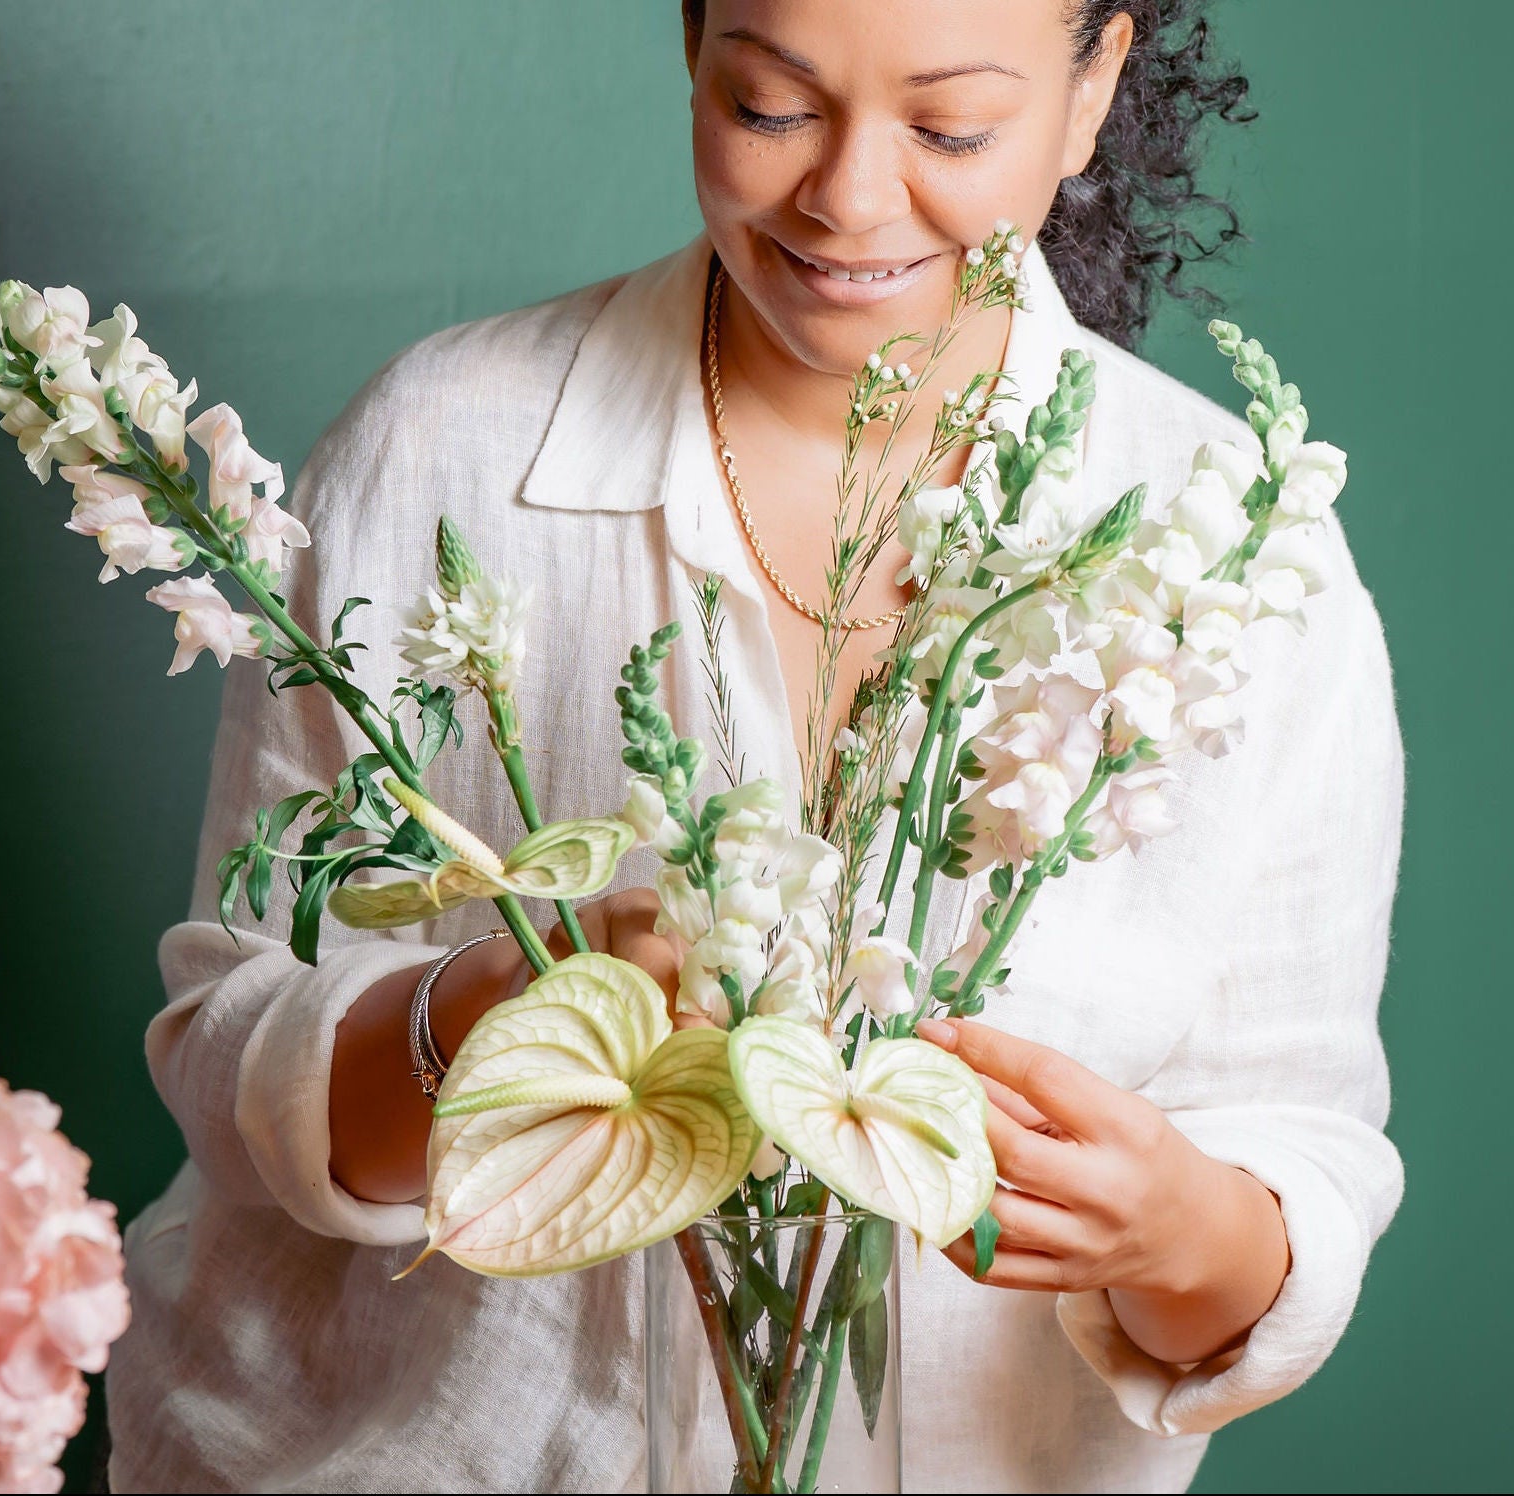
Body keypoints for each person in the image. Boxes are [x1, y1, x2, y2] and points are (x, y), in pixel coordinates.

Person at [105, 2, 1402, 1490]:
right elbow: (234, 1050)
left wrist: (1181, 1228)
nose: (847, 200)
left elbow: (1299, 1151)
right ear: (690, 43)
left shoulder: (1226, 550)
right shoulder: (446, 448)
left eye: (949, 129)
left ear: (1093, 85)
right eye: (773, 105)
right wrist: (499, 1004)